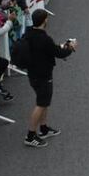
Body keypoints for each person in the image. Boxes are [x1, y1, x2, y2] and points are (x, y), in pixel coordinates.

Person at [20, 8, 76, 148]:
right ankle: (30, 135)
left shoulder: (29, 33)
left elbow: (50, 49)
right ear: (45, 20)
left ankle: (44, 128)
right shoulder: (44, 38)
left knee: (44, 102)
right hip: (43, 75)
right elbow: (59, 53)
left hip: (33, 73)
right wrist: (70, 48)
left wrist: (61, 47)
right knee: (41, 104)